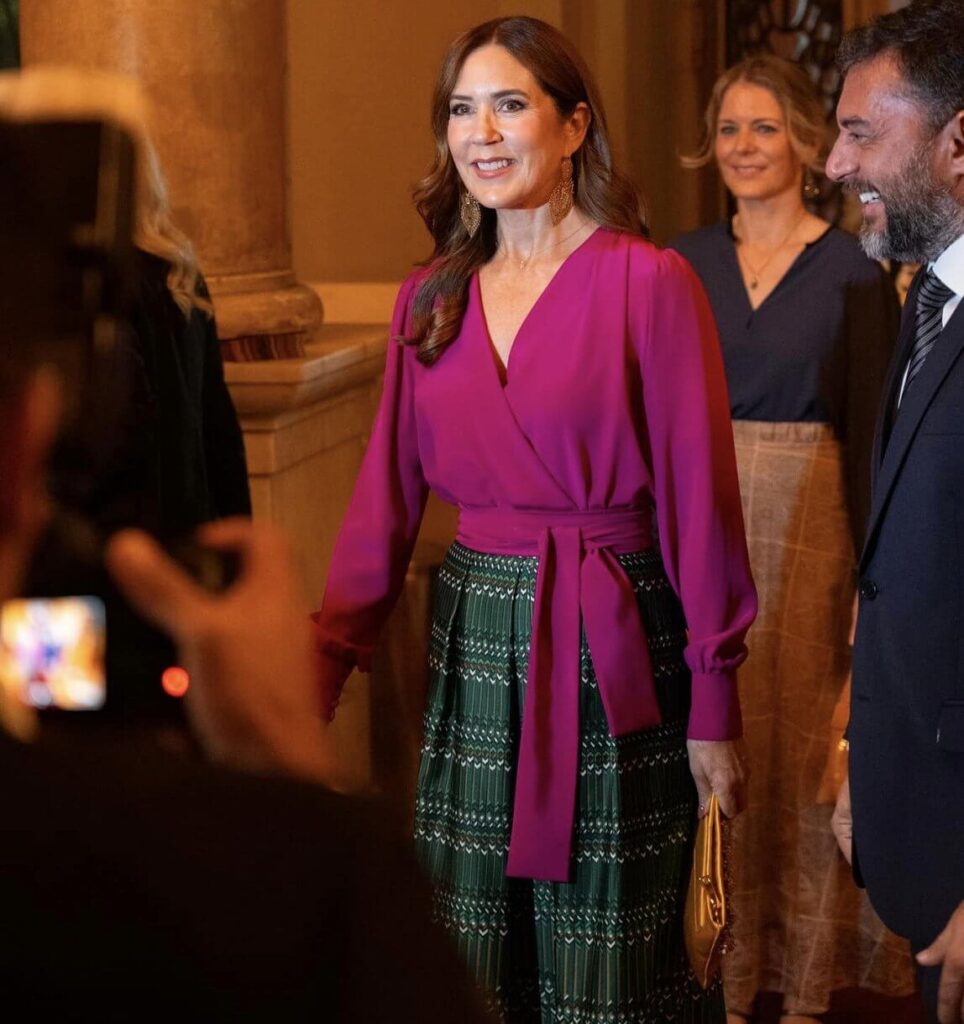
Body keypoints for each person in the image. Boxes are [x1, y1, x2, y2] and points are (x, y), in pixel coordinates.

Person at [0, 71, 490, 1022]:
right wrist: (290, 784)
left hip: (93, 591)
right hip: (143, 591)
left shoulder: (161, 294)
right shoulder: (278, 887)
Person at [313, 16, 757, 1022]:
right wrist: (322, 663)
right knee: (468, 950)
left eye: (510, 103)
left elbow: (701, 503)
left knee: (613, 950)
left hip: (615, 640)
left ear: (573, 126)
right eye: (462, 110)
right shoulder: (426, 298)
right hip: (472, 637)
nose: (483, 132)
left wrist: (716, 696)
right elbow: (383, 498)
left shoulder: (649, 283)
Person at [670, 54, 915, 1022]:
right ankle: (719, 982)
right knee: (713, 760)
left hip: (811, 559)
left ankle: (804, 990)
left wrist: (869, 587)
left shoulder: (855, 271)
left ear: (808, 145)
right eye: (728, 129)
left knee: (805, 775)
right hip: (698, 544)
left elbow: (872, 445)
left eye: (763, 127)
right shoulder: (677, 264)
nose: (742, 147)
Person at [822, 2, 964, 1021]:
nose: (833, 163)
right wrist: (854, 751)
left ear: (958, 142)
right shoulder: (921, 301)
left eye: (861, 132)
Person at [25, 129, 251, 721]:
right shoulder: (180, 277)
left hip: (85, 569)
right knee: (178, 740)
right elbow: (218, 432)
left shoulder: (75, 298)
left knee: (66, 757)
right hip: (185, 559)